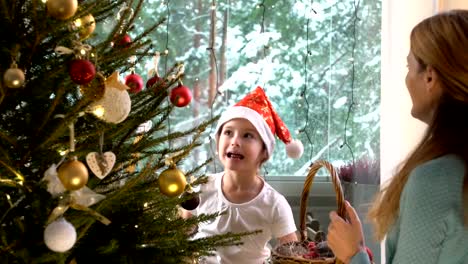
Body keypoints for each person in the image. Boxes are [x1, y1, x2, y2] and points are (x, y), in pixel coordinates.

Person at [327, 9, 468, 264]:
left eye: (409, 65)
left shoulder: (434, 181)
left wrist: (352, 254)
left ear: (429, 76)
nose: (406, 78)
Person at [182, 86, 304, 264]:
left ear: (264, 152)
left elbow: (293, 256)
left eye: (247, 135)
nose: (235, 141)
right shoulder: (201, 187)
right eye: (228, 132)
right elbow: (182, 231)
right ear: (218, 142)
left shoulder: (274, 204)